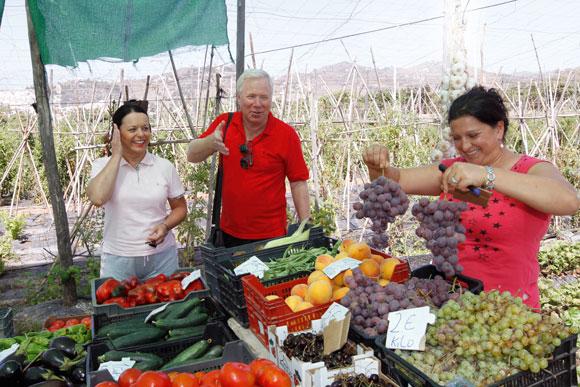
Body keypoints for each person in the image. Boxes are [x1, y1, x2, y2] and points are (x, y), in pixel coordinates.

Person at [363, 86, 579, 309]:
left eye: (473, 135)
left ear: (499, 129)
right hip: (452, 300)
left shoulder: (531, 170)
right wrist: (378, 166)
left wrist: (487, 174)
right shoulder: (454, 171)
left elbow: (569, 201)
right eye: (457, 138)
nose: (465, 146)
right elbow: (395, 181)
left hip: (509, 308)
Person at [187, 69, 310, 248]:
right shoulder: (225, 124)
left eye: (264, 97)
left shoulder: (286, 135)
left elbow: (298, 182)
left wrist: (305, 227)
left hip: (272, 236)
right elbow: (192, 155)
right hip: (229, 232)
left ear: (271, 99)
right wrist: (209, 142)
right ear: (238, 98)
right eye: (251, 96)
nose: (257, 104)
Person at [87, 103, 187, 280]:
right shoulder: (102, 166)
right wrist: (117, 155)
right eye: (132, 129)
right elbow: (97, 198)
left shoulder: (164, 166)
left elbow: (180, 208)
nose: (141, 135)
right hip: (118, 259)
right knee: (116, 306)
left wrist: (165, 226)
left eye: (145, 128)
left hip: (162, 257)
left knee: (166, 307)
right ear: (117, 132)